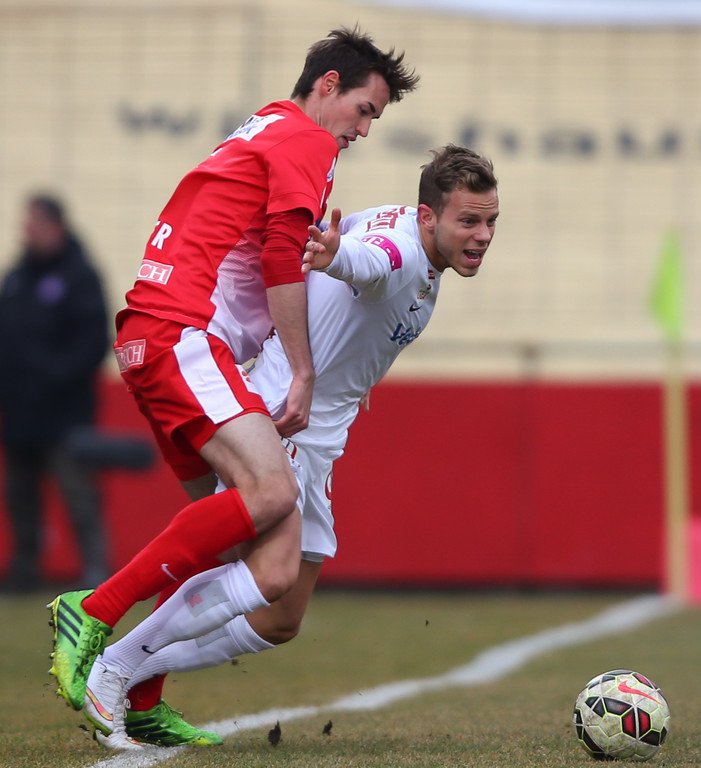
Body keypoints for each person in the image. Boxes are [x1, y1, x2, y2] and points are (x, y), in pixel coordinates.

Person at [47, 26, 418, 719]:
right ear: (329, 85)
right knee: (272, 492)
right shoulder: (306, 139)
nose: (364, 130)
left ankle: (140, 692)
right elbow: (279, 256)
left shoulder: (269, 126)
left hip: (150, 336)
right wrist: (302, 372)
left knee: (235, 538)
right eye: (364, 110)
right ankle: (91, 610)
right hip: (184, 335)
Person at [79, 144, 500, 749]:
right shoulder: (405, 251)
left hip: (320, 434)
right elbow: (370, 262)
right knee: (265, 571)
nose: (482, 235)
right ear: (429, 216)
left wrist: (351, 366)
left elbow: (357, 266)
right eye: (470, 221)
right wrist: (336, 257)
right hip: (286, 417)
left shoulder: (408, 230)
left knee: (280, 618)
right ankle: (116, 665)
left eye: (490, 221)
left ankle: (133, 678)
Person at [0, 194, 109, 591]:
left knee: (78, 494)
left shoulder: (79, 276)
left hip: (65, 413)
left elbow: (93, 342)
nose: (27, 231)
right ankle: (25, 570)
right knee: (20, 497)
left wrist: (53, 376)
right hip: (20, 413)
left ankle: (95, 571)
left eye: (34, 223)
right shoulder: (16, 278)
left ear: (55, 226)